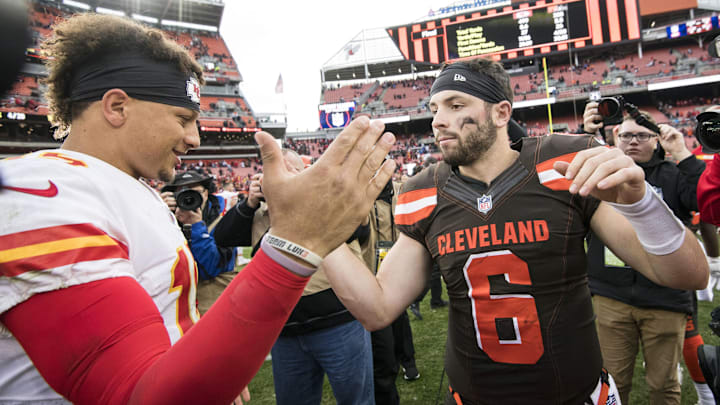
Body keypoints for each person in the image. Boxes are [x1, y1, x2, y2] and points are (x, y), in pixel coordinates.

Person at [0, 13, 396, 405]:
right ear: (117, 107)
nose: (194, 138)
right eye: (183, 118)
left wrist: (211, 362)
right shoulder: (39, 194)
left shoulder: (129, 189)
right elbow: (135, 394)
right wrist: (295, 243)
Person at [321, 58, 708, 404]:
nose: (438, 120)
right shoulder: (423, 189)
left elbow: (687, 274)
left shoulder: (562, 163)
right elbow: (377, 307)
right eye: (435, 108)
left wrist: (642, 204)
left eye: (457, 106)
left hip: (575, 394)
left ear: (502, 112)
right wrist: (319, 233)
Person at [214, 150, 376, 405]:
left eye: (291, 170)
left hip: (339, 323)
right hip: (285, 331)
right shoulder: (260, 212)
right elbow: (222, 238)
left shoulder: (330, 200)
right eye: (275, 171)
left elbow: (360, 229)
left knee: (357, 400)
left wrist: (305, 201)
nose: (284, 177)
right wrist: (249, 204)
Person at [582, 105, 709, 404]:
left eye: (641, 135)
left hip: (665, 298)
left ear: (656, 140)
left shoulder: (672, 174)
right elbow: (566, 182)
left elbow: (704, 200)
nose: (633, 141)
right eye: (626, 135)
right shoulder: (601, 171)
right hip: (610, 295)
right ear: (615, 137)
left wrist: (683, 153)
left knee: (664, 385)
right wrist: (585, 136)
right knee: (611, 381)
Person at [159, 170, 237, 314]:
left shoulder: (224, 218)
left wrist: (196, 227)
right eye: (182, 192)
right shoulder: (165, 217)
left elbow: (214, 267)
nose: (189, 197)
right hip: (175, 305)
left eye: (195, 192)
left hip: (212, 303)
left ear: (206, 193)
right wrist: (158, 216)